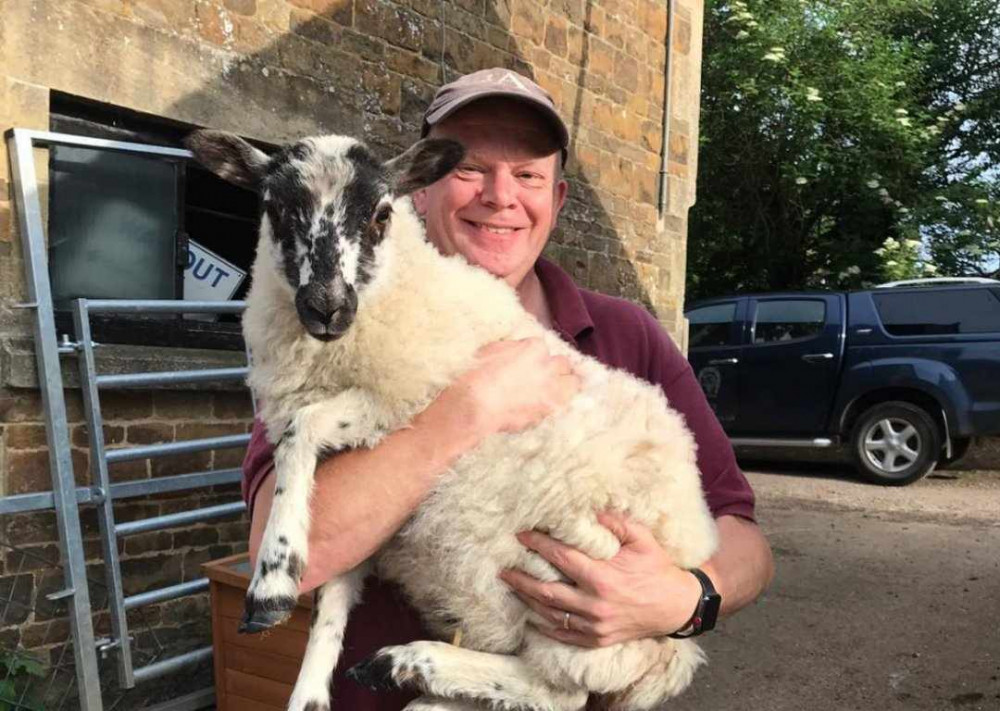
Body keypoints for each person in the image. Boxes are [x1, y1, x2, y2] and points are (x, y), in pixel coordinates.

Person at [241, 67, 774, 710]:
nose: (501, 196)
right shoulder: (331, 336)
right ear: (419, 190)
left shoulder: (626, 333)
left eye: (528, 175)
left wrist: (687, 599)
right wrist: (470, 409)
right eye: (470, 167)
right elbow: (296, 557)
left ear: (557, 197)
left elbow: (740, 533)